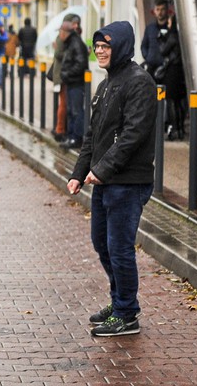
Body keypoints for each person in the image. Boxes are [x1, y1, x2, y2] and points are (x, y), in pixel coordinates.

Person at [67, 21, 156, 337]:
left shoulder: (139, 83)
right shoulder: (106, 84)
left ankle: (127, 313)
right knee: (102, 243)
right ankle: (120, 301)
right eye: (98, 47)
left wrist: (102, 169)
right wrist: (79, 173)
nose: (100, 52)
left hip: (128, 181)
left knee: (119, 247)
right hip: (105, 181)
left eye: (106, 46)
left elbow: (133, 135)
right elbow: (93, 135)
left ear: (121, 47)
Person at [58, 17, 90, 150]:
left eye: (60, 32)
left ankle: (76, 138)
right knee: (71, 110)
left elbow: (80, 63)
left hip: (76, 82)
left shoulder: (75, 43)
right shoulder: (70, 43)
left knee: (76, 111)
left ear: (66, 32)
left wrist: (67, 73)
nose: (59, 35)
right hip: (71, 82)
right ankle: (71, 137)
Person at [156, 14, 187, 140]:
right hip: (180, 71)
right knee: (179, 101)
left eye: (169, 22)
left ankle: (173, 128)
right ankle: (180, 128)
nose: (167, 24)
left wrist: (161, 39)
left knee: (170, 101)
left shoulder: (172, 36)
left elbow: (163, 51)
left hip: (172, 71)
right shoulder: (182, 36)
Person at [141, 0, 170, 78]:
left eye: (162, 9)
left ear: (167, 10)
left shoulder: (171, 28)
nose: (160, 12)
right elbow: (144, 45)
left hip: (166, 67)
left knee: (163, 89)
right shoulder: (150, 28)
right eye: (157, 9)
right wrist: (147, 57)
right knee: (150, 88)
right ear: (154, 11)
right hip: (151, 66)